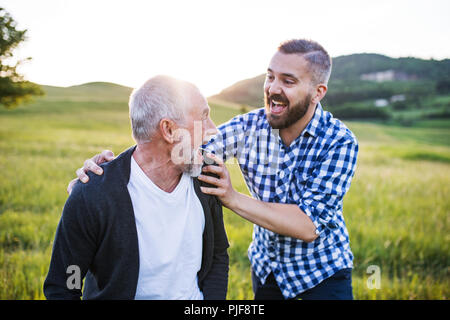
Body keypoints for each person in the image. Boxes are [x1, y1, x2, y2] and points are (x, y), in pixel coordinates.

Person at [72, 39, 358, 300]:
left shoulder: (339, 143)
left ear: (318, 92)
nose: (273, 88)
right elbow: (177, 149)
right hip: (267, 272)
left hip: (321, 277)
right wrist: (102, 182)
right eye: (270, 76)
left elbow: (308, 226)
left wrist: (232, 197)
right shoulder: (250, 127)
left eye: (288, 81)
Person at [44, 75, 229, 300]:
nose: (213, 130)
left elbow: (218, 254)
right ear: (169, 130)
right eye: (204, 117)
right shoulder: (93, 194)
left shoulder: (206, 176)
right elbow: (66, 282)